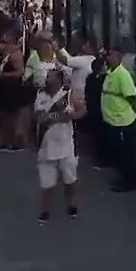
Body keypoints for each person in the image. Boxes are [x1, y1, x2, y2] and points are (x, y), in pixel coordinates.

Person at [33, 69, 85, 223]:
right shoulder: (41, 94)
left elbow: (81, 111)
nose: (48, 80)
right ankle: (44, 210)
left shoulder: (68, 95)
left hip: (65, 145)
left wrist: (72, 116)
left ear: (59, 80)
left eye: (51, 77)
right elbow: (35, 115)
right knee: (47, 183)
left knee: (69, 180)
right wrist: (42, 117)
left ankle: (72, 204)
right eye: (47, 77)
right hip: (45, 144)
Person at [100, 43, 136, 192]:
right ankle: (123, 177)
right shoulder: (110, 72)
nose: (107, 57)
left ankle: (130, 182)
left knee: (126, 153)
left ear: (118, 56)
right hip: (113, 121)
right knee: (118, 152)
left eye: (110, 54)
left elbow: (131, 96)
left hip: (123, 121)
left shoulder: (123, 74)